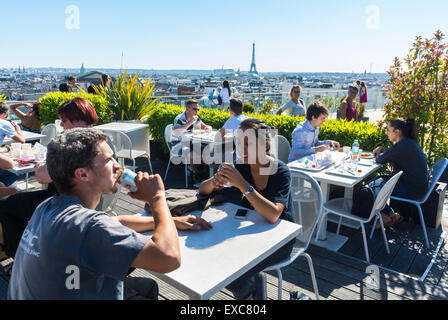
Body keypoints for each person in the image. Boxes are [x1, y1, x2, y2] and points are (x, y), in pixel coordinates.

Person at [7, 127, 212, 300]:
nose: (117, 166)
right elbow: (169, 259)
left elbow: (115, 221)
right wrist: (157, 198)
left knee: (146, 287)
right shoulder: (89, 227)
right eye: (109, 159)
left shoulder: (48, 207)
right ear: (83, 174)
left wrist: (173, 221)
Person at [199, 118, 295, 299]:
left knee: (234, 275)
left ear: (266, 144)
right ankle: (253, 288)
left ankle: (251, 293)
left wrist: (243, 185)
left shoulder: (280, 171)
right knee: (216, 257)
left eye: (247, 143)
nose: (241, 149)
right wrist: (214, 181)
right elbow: (202, 191)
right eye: (238, 143)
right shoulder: (241, 166)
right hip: (250, 232)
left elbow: (273, 215)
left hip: (281, 239)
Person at [0, 98, 102, 268]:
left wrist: (42, 165)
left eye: (64, 120)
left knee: (4, 205)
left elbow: (42, 177)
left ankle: (25, 256)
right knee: (13, 202)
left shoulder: (73, 142)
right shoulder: (102, 141)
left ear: (77, 119)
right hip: (87, 201)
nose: (61, 125)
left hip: (60, 201)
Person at [369, 118, 429, 227]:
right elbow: (393, 154)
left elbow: (379, 160)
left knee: (371, 187)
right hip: (418, 187)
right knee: (372, 181)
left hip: (411, 190)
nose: (387, 132)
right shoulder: (409, 142)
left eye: (388, 130)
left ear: (397, 132)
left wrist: (380, 151)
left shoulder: (403, 145)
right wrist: (383, 148)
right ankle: (392, 214)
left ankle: (384, 216)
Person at [0, 102, 25, 187]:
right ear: (4, 114)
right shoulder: (4, 123)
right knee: (19, 169)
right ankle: (2, 186)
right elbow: (22, 141)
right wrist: (18, 129)